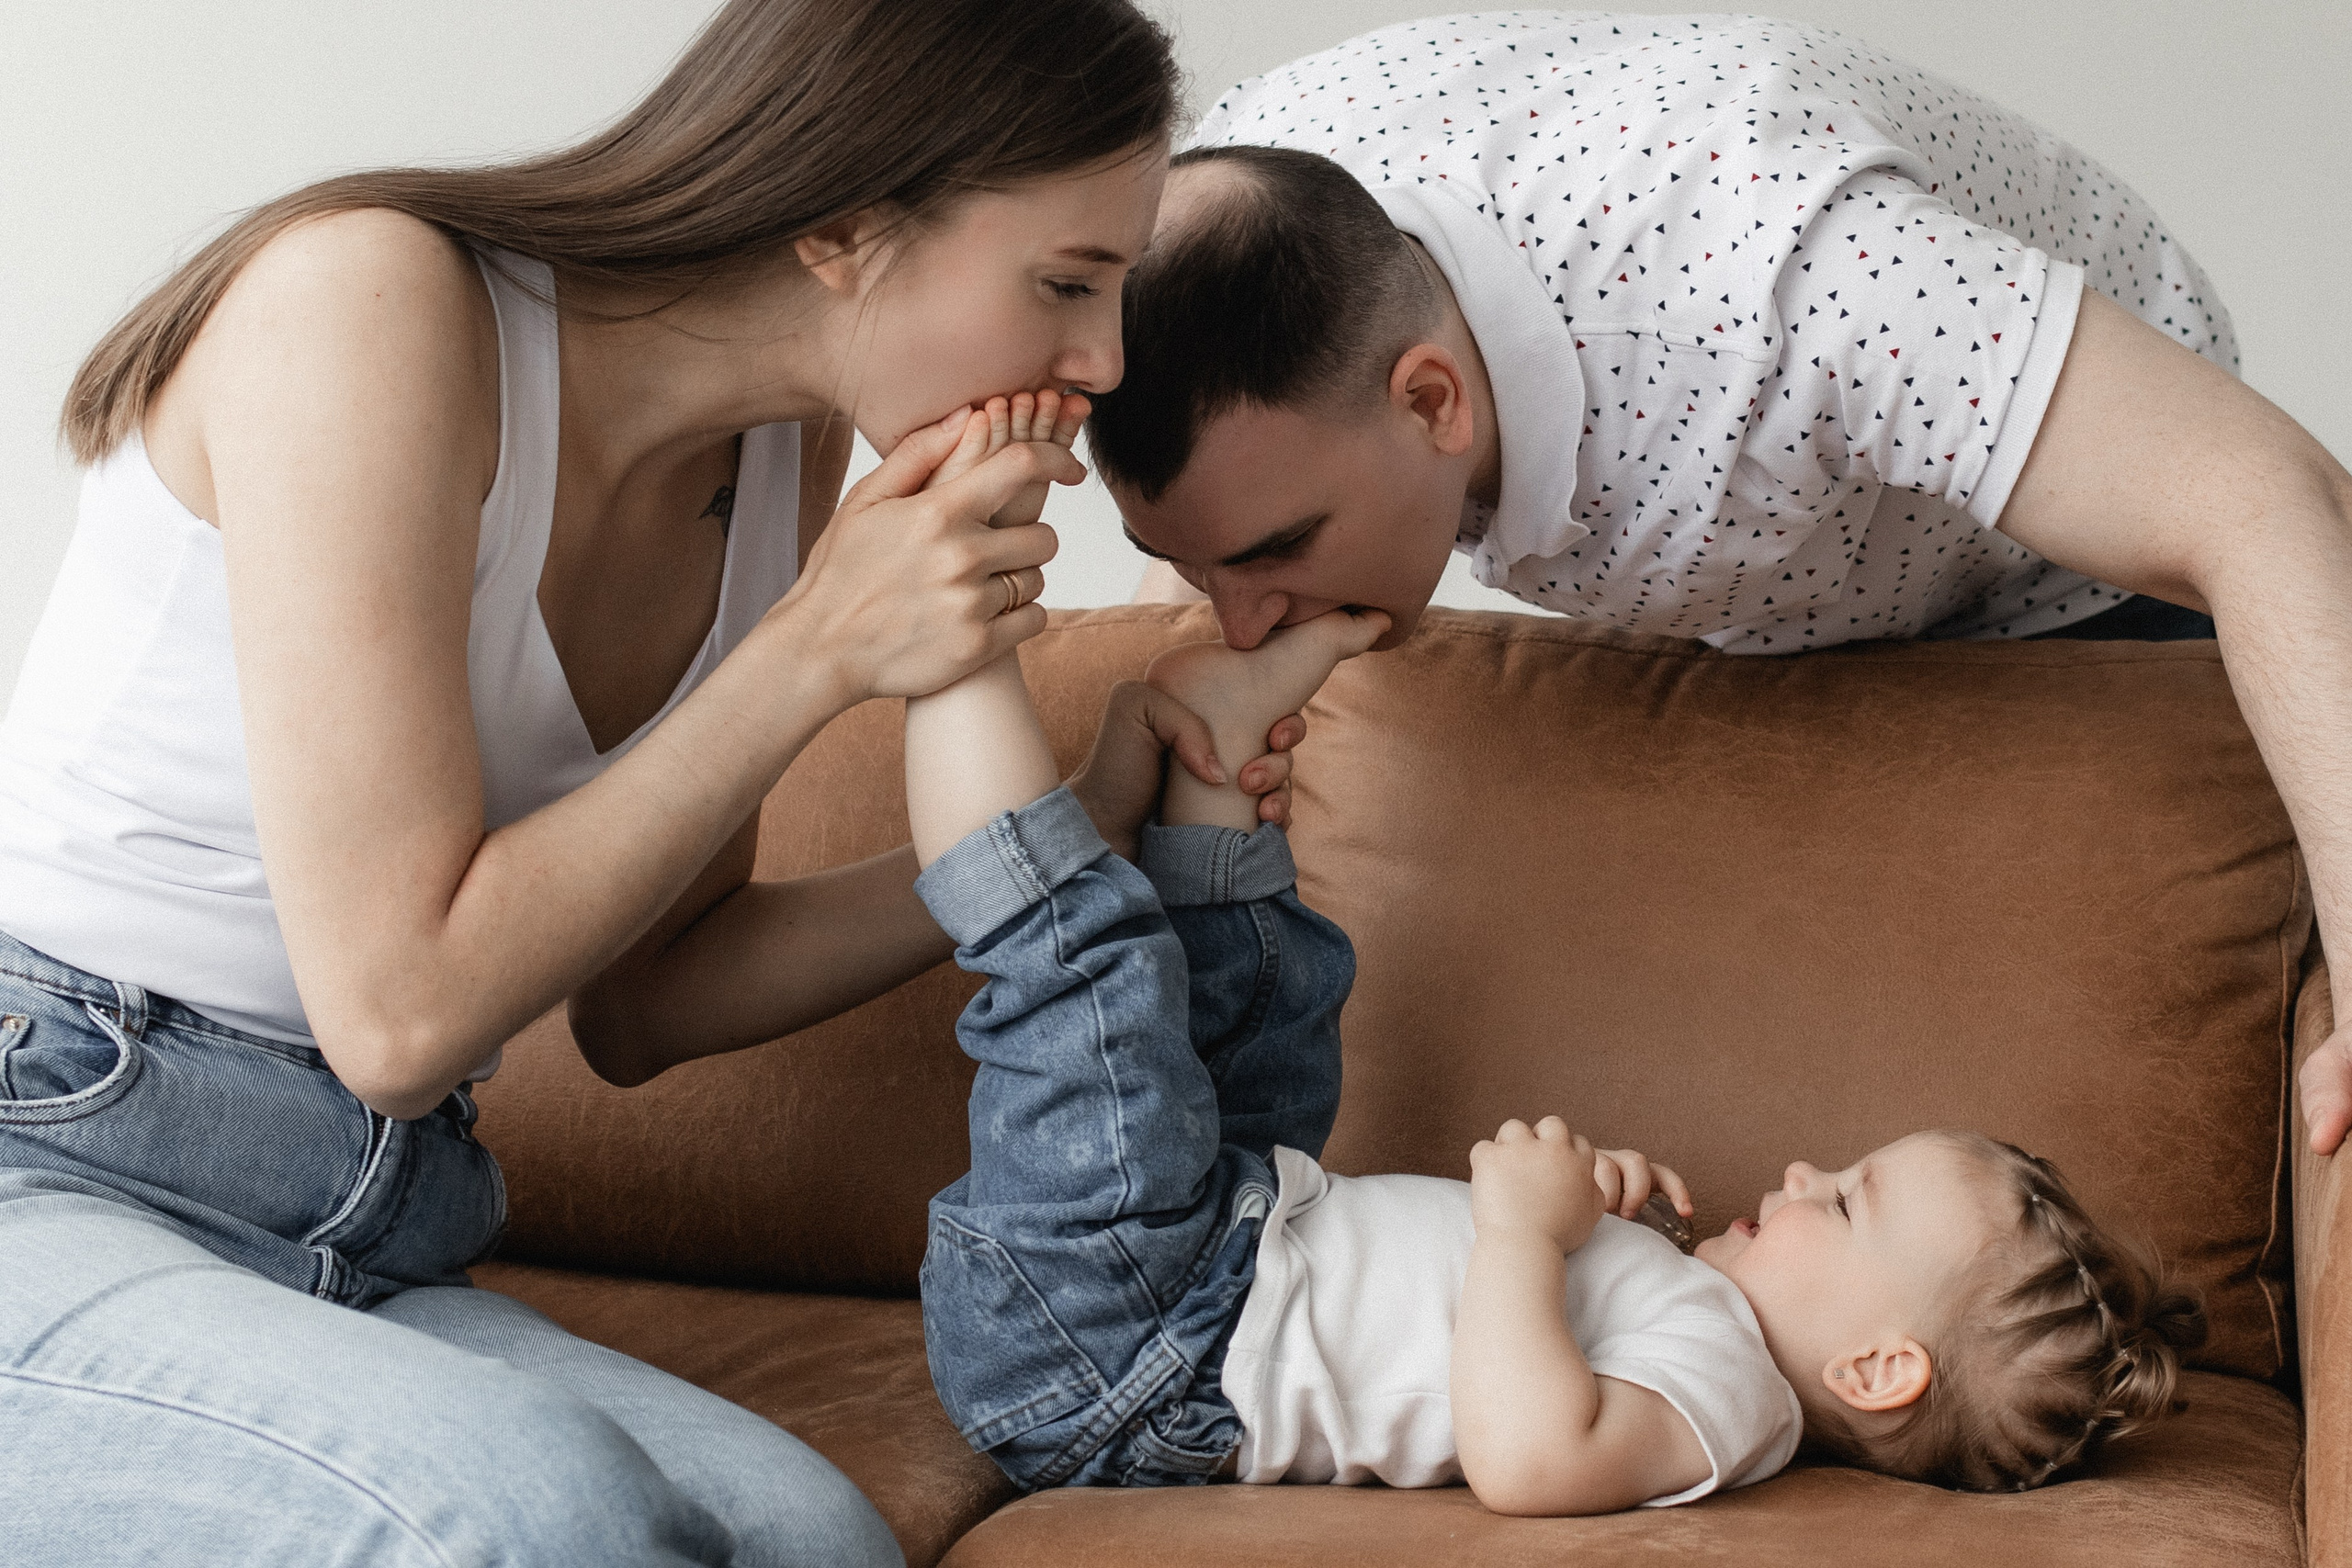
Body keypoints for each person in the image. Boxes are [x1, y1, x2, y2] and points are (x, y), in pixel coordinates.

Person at [0, 2, 1297, 1562]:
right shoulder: (367, 298)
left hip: (375, 1219)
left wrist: (1080, 825)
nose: (1100, 362)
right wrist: (819, 644)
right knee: (545, 1524)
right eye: (1067, 284)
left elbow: (651, 1000)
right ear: (845, 223)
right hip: (57, 1151)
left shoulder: (779, 456)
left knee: (812, 1543)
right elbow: (401, 1015)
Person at [1084, 13, 2352, 1155]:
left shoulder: (1791, 291)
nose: (1234, 620)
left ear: (1433, 399)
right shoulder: (1195, 219)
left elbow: (2265, 500)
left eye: (1272, 555)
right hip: (1789, 544)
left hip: (2066, 569)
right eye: (1186, 564)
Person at [889, 456, 2207, 1504]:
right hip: (1227, 1252)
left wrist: (1526, 1237)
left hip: (1123, 1349)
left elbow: (1532, 1457)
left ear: (1877, 1369)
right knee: (1273, 1012)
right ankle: (1213, 781)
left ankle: (951, 634)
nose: (1805, 1174)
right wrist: (1602, 1230)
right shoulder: (1702, 1324)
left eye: (1850, 1205)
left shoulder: (1730, 1407)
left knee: (1094, 982)